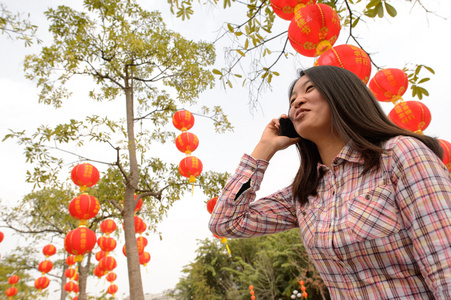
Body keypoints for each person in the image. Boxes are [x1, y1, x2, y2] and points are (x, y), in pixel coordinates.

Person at [208, 65, 451, 299]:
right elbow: (226, 222)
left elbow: (444, 261)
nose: (297, 102)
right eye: (292, 99)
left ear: (342, 94)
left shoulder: (398, 154)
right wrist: (264, 148)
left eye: (310, 89)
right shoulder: (304, 192)